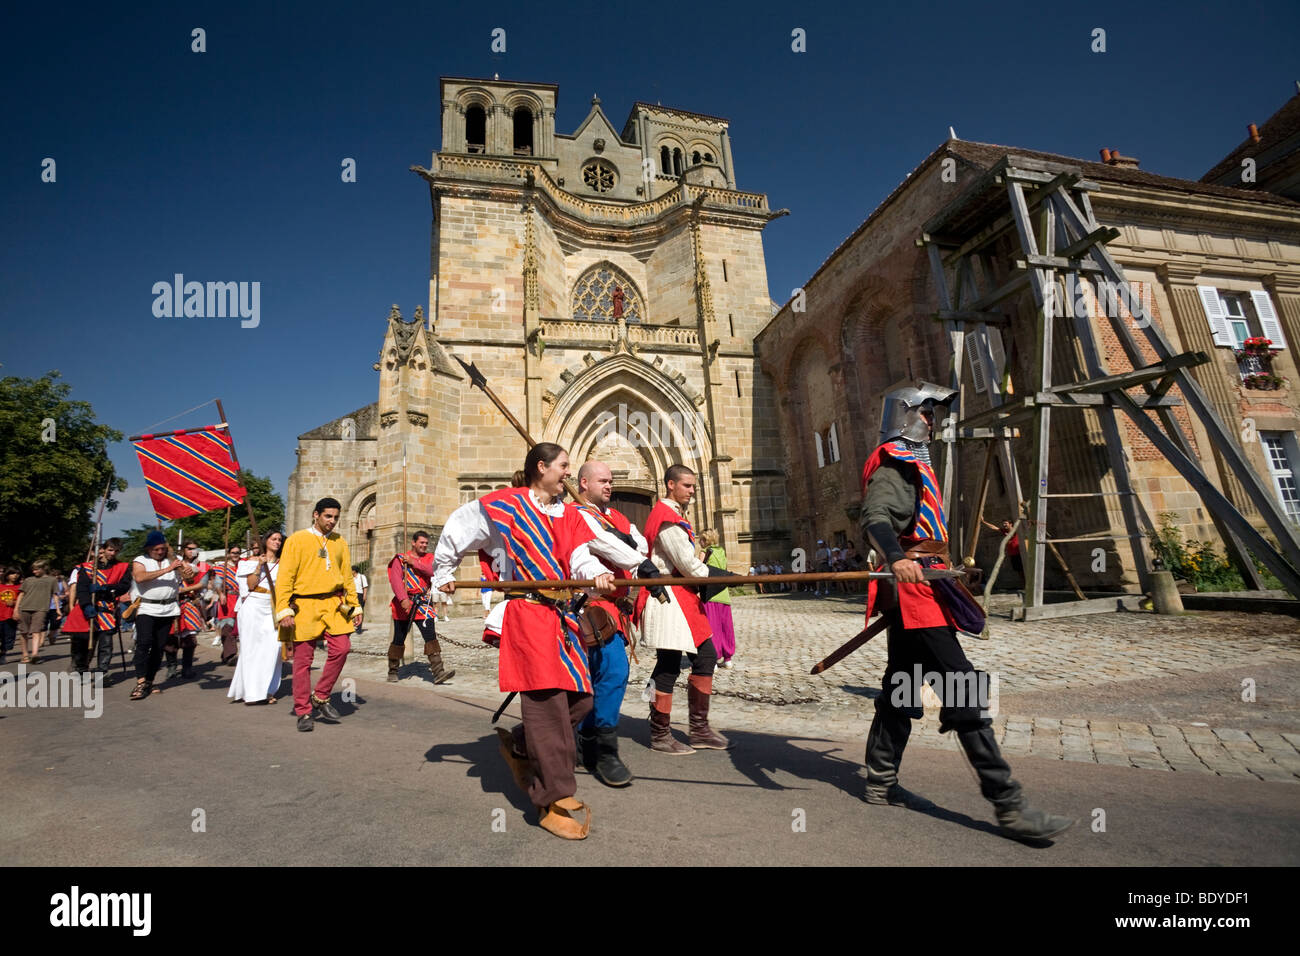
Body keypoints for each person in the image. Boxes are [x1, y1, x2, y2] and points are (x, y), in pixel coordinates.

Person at [859, 382, 1073, 842]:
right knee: (964, 688)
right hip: (914, 591)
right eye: (928, 413)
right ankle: (1009, 805)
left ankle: (880, 781)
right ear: (907, 414)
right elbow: (875, 518)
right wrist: (897, 557)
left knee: (903, 682)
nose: (934, 422)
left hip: (928, 582)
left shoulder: (914, 462)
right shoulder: (895, 461)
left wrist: (952, 570)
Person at [433, 443, 616, 840]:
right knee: (546, 706)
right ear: (541, 467)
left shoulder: (566, 514)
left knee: (581, 700)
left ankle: (521, 744)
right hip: (529, 615)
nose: (567, 473)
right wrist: (443, 570)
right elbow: (460, 525)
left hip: (563, 617)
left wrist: (596, 575)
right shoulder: (508, 506)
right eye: (564, 466)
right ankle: (552, 797)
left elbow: (580, 557)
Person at [571, 460, 659, 788]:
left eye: (610, 481)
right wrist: (626, 549)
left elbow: (639, 543)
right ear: (583, 483)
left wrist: (625, 539)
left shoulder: (616, 517)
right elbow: (596, 550)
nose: (609, 486)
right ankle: (606, 751)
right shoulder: (575, 514)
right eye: (602, 481)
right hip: (591, 605)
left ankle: (585, 742)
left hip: (616, 609)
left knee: (600, 681)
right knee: (613, 673)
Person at [635, 464, 732, 755]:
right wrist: (723, 577)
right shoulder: (666, 518)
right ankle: (660, 733)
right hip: (669, 597)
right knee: (669, 664)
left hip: (684, 598)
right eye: (687, 486)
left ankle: (699, 730)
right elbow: (688, 565)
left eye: (693, 486)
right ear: (670, 485)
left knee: (705, 657)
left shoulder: (674, 516)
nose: (692, 491)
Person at [274, 498, 362, 732]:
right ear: (316, 515)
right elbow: (285, 577)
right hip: (304, 605)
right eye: (328, 516)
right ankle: (303, 711)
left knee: (342, 648)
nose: (332, 521)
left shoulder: (340, 541)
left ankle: (321, 696)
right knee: (303, 661)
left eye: (335, 517)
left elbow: (347, 577)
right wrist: (283, 609)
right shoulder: (296, 540)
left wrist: (354, 606)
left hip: (334, 604)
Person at [387, 531, 455, 684]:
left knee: (430, 637)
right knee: (399, 638)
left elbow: (432, 571)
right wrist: (403, 599)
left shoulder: (429, 558)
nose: (424, 545)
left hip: (423, 602)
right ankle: (393, 670)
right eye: (421, 542)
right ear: (413, 542)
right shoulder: (399, 559)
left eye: (426, 543)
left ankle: (438, 672)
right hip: (404, 603)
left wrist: (413, 562)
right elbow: (395, 580)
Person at [229, 530, 285, 705]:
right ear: (265, 541)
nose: (277, 542)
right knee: (252, 650)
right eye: (273, 539)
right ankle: (253, 692)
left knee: (273, 648)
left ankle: (267, 688)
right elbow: (251, 585)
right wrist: (260, 565)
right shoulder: (250, 562)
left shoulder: (283, 564)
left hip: (272, 606)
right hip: (253, 605)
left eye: (280, 540)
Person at [129, 531, 183, 700]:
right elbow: (140, 577)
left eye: (162, 549)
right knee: (144, 643)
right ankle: (141, 680)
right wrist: (168, 569)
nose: (160, 552)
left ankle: (149, 681)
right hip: (147, 608)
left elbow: (190, 575)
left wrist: (182, 566)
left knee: (159, 647)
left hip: (167, 609)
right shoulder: (141, 560)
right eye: (156, 549)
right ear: (148, 548)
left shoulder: (172, 560)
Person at [73, 538, 132, 677]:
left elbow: (124, 586)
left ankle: (101, 672)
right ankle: (82, 670)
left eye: (116, 551)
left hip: (108, 609)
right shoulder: (87, 567)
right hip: (88, 609)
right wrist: (87, 605)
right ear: (104, 549)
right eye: (110, 550)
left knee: (106, 645)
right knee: (84, 644)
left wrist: (107, 588)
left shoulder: (122, 567)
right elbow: (81, 589)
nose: (113, 553)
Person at [164, 540, 210, 680]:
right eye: (189, 549)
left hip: (189, 602)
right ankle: (171, 667)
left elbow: (202, 584)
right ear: (184, 549)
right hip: (172, 602)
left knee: (189, 638)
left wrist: (184, 589)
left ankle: (187, 668)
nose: (192, 551)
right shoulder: (174, 563)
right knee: (170, 637)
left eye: (195, 549)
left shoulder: (202, 566)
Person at [699, 530, 736, 668]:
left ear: (705, 540)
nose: (699, 542)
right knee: (726, 626)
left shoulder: (705, 552)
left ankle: (713, 660)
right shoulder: (721, 551)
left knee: (712, 626)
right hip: (724, 593)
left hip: (710, 593)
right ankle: (728, 658)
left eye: (701, 540)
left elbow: (698, 570)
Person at [17, 560, 59, 664]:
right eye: (33, 569)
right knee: (24, 632)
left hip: (41, 608)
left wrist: (58, 609)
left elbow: (55, 595)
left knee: (36, 631)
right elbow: (21, 594)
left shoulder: (52, 580)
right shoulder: (28, 580)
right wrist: (16, 609)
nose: (34, 571)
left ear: (44, 568)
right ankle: (25, 654)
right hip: (25, 607)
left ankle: (35, 654)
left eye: (37, 569)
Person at [212, 545, 242, 664]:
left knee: (237, 627)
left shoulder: (242, 566)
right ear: (229, 553)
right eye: (233, 552)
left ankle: (226, 653)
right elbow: (217, 583)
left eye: (238, 552)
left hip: (240, 598)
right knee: (227, 627)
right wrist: (220, 594)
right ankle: (230, 655)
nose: (235, 554)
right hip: (227, 597)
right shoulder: (221, 568)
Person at [982, 518, 1023, 584]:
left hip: (1020, 554)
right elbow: (994, 527)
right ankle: (1025, 586)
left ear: (1011, 524)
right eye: (1003, 523)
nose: (1004, 525)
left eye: (1006, 523)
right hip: (1012, 555)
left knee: (1023, 571)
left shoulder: (1016, 531)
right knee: (1019, 572)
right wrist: (984, 521)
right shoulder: (1005, 531)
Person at [0, 568, 20, 663]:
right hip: (0, 615)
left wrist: (14, 602)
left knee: (8, 637)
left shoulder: (19, 587)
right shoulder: (0, 586)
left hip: (10, 616)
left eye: (17, 573)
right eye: (12, 573)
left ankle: (3, 654)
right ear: (7, 575)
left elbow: (24, 601)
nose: (15, 575)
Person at [352, 564, 368, 633]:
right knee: (355, 611)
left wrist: (364, 595)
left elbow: (365, 587)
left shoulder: (362, 577)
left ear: (354, 571)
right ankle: (356, 624)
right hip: (353, 595)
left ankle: (359, 628)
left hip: (360, 595)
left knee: (360, 611)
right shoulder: (352, 578)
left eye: (351, 570)